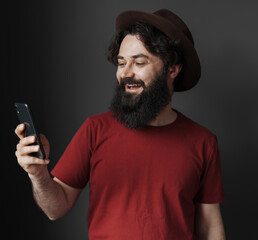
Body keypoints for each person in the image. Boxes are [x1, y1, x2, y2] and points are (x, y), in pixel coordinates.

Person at [15, 9, 226, 240]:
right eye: (121, 62)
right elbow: (55, 209)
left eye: (139, 62)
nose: (125, 73)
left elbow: (210, 227)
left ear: (173, 69)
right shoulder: (95, 130)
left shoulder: (203, 141)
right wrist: (38, 174)